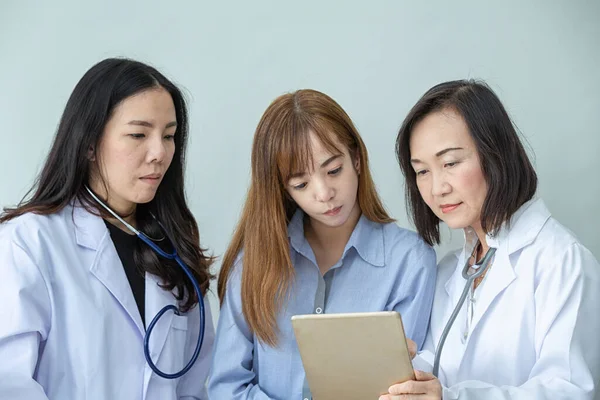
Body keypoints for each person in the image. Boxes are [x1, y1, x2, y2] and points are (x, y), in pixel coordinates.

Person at [0, 58, 215, 400]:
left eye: (169, 136)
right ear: (88, 144)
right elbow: (9, 383)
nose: (159, 152)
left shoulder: (175, 250)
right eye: (138, 134)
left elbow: (191, 387)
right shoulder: (30, 243)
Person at [208, 89, 437, 399]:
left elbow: (400, 391)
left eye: (333, 171)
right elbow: (226, 386)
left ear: (356, 159)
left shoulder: (410, 262)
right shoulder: (252, 264)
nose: (324, 193)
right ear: (283, 189)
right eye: (301, 184)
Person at [382, 79, 600, 399]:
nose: (436, 188)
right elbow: (441, 367)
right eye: (422, 171)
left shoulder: (563, 262)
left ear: (495, 153)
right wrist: (408, 370)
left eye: (450, 163)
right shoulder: (449, 271)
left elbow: (571, 391)